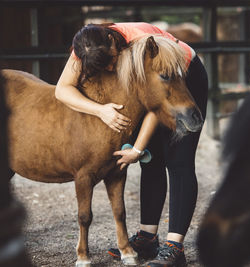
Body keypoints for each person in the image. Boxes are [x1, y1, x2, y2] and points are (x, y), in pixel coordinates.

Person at [55, 22, 208, 267]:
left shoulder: (141, 45)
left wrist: (136, 149)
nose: (110, 67)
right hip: (153, 86)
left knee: (178, 161)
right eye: (102, 66)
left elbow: (154, 105)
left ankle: (175, 248)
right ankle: (148, 238)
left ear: (113, 42)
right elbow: (62, 90)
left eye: (111, 61)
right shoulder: (87, 45)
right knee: (152, 160)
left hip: (182, 77)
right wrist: (101, 111)